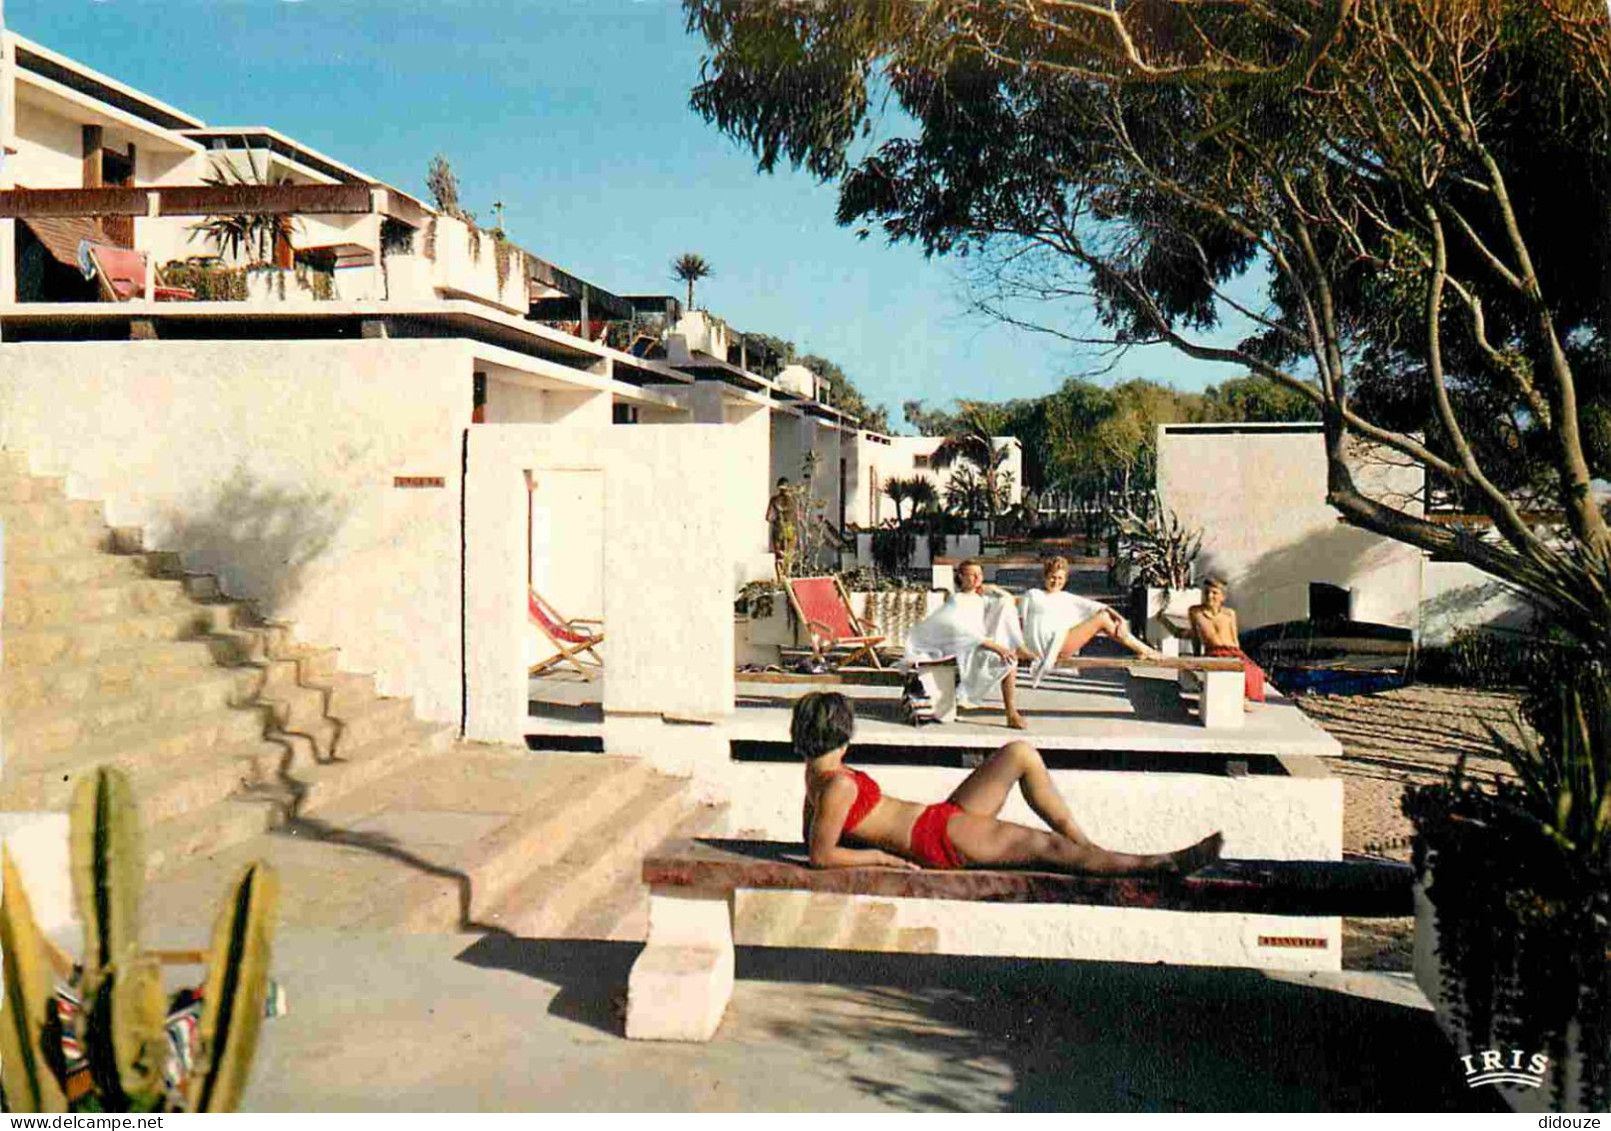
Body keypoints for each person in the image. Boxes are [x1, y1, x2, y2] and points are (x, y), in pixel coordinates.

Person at [795, 691, 1223, 873]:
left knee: (1019, 753)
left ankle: (1088, 847)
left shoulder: (818, 775)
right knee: (1046, 848)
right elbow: (820, 855)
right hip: (936, 840)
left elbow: (811, 835)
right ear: (844, 732)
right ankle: (1158, 865)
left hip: (938, 819)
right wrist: (882, 858)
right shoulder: (839, 785)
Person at [903, 560, 1028, 729]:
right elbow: (963, 631)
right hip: (963, 649)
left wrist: (994, 588)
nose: (977, 578)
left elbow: (1008, 601)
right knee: (1007, 660)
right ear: (961, 577)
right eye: (972, 574)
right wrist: (998, 648)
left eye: (980, 575)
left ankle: (1012, 711)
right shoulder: (958, 600)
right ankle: (1011, 712)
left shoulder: (981, 598)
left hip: (978, 644)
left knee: (1006, 613)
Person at [1020, 556, 1160, 687]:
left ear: (1065, 579)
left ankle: (1143, 650)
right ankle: (1144, 650)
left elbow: (1101, 608)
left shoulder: (1067, 598)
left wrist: (1121, 620)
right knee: (1103, 619)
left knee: (1103, 617)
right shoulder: (1032, 594)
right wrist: (1020, 650)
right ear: (1045, 577)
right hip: (1040, 648)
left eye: (1060, 578)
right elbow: (1020, 623)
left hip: (1059, 645)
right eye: (1052, 578)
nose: (1056, 582)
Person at [1187, 576, 1267, 705]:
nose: (1209, 596)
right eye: (1206, 592)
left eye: (1214, 593)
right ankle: (1238, 699)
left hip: (1232, 650)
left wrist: (1241, 656)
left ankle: (1241, 698)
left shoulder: (1229, 613)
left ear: (1222, 597)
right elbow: (1195, 636)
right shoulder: (1195, 612)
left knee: (1254, 671)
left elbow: (1234, 638)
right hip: (1213, 651)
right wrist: (1197, 656)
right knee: (1226, 669)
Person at [766, 477, 799, 574]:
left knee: (779, 556)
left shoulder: (774, 500)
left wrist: (776, 521)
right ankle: (788, 575)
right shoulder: (794, 500)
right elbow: (798, 516)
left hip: (778, 529)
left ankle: (780, 578)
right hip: (791, 529)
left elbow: (768, 517)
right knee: (789, 555)